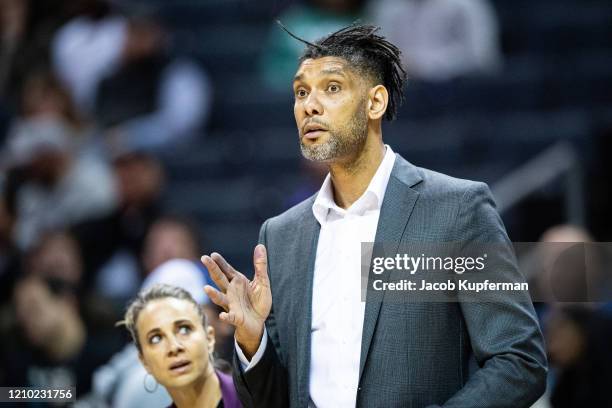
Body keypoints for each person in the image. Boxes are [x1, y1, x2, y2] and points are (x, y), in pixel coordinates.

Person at [202, 24, 547, 407]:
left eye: (331, 88)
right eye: (301, 92)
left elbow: (519, 360)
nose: (309, 105)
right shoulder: (280, 236)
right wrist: (254, 344)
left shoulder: (458, 209)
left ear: (375, 103)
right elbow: (273, 400)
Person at [120, 284, 241, 408]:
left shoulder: (255, 398)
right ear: (144, 361)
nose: (174, 347)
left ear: (209, 338)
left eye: (184, 329)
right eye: (156, 339)